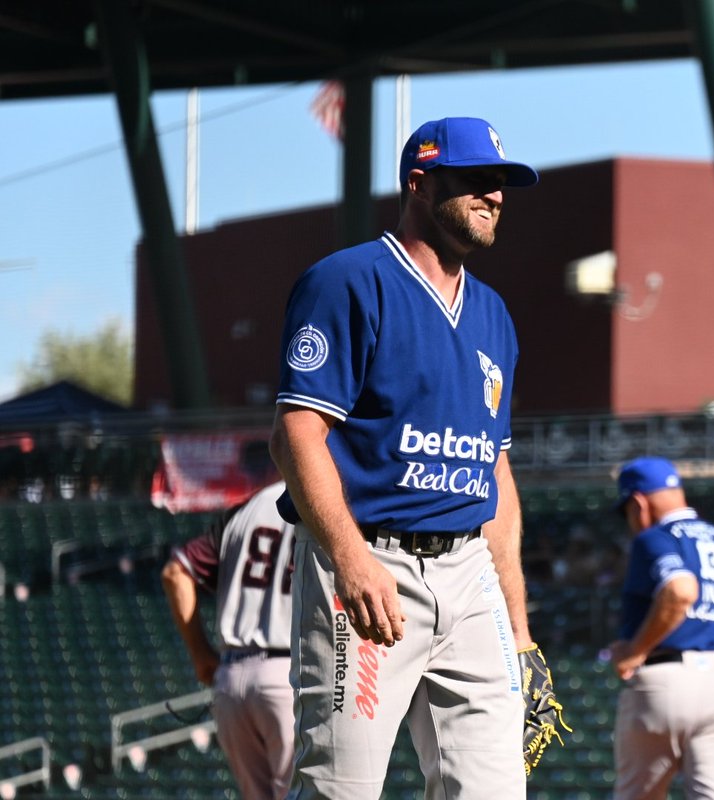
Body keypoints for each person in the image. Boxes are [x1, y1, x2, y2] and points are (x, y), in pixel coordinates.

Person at [269, 117, 545, 799]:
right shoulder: (348, 281)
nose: (495, 195)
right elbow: (295, 432)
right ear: (420, 184)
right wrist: (350, 559)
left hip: (470, 573)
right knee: (341, 789)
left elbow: (495, 472)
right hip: (371, 559)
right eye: (477, 179)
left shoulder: (494, 314)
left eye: (501, 182)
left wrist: (520, 631)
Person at [609, 456, 714, 800]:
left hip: (665, 680)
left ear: (638, 503)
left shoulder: (654, 538)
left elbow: (680, 590)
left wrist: (635, 650)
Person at [161, 480, 296, 800]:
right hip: (289, 674)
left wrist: (200, 655)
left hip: (230, 679)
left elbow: (175, 573)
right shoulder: (332, 501)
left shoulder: (248, 508)